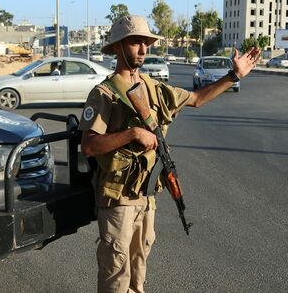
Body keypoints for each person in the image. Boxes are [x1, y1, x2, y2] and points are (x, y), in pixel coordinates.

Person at [79, 15, 260, 293]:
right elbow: (89, 146)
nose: (143, 49)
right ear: (117, 47)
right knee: (116, 274)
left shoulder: (154, 89)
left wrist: (233, 76)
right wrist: (132, 134)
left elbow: (196, 99)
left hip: (146, 196)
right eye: (135, 43)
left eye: (146, 43)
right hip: (118, 198)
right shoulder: (104, 94)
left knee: (138, 271)